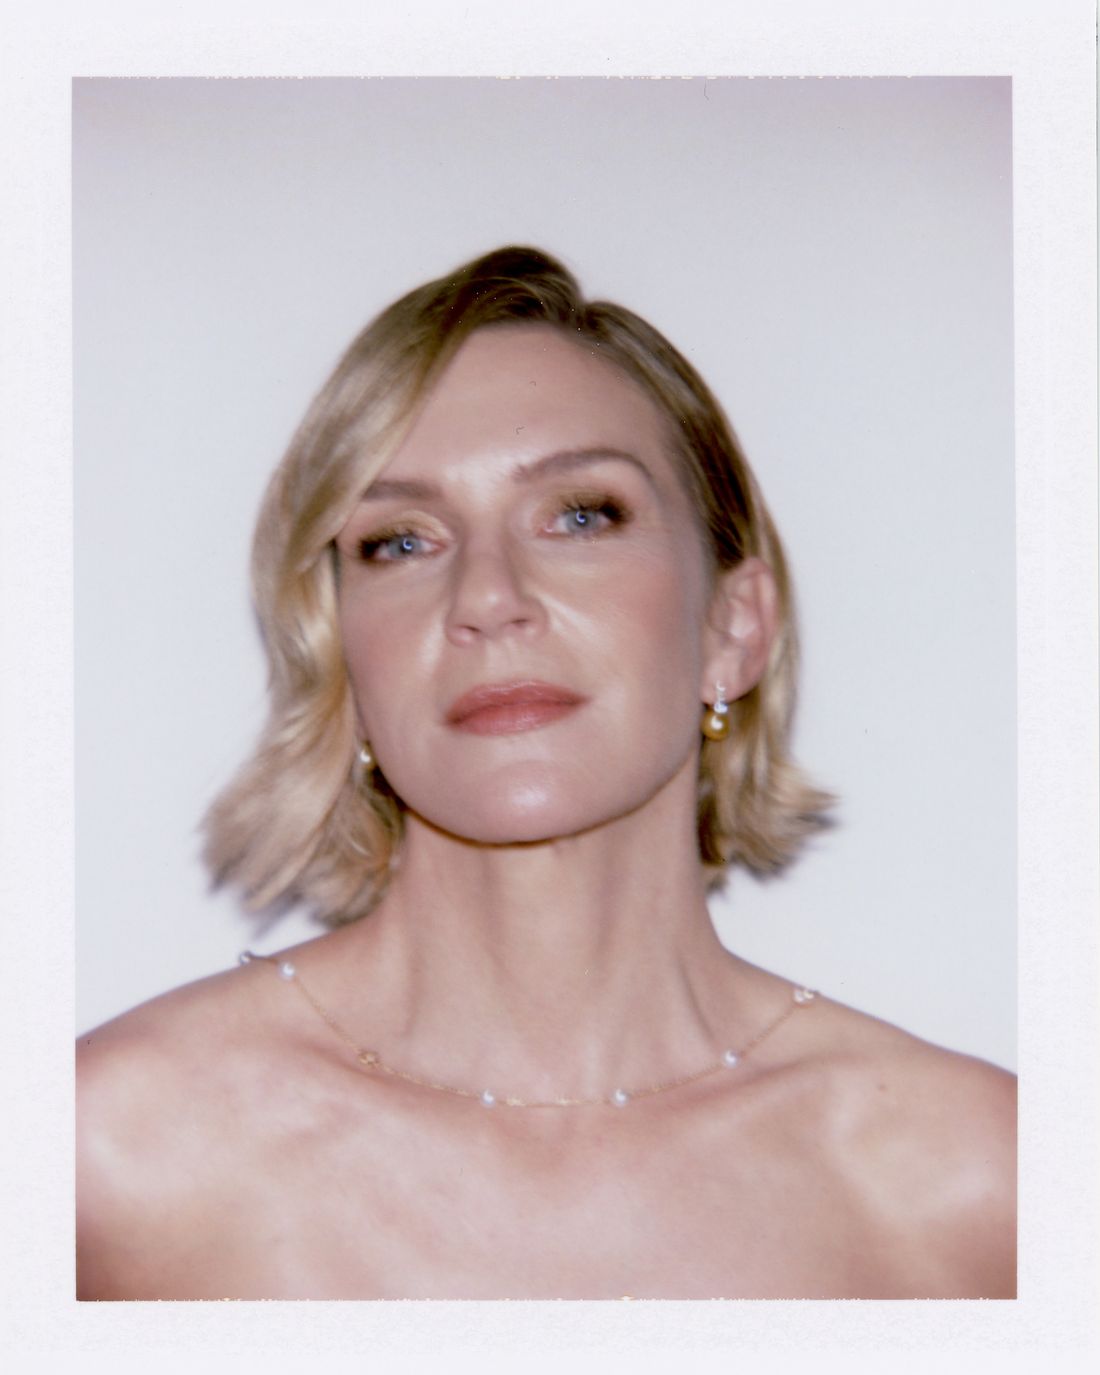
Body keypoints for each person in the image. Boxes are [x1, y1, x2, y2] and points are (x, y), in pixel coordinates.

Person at [76, 246, 1016, 1300]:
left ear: (732, 626)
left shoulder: (981, 1185)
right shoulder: (108, 1157)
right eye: (400, 540)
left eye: (581, 514)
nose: (487, 597)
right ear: (341, 652)